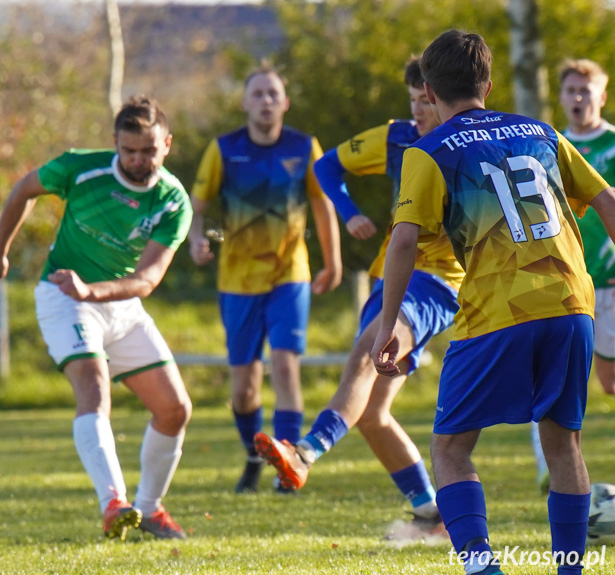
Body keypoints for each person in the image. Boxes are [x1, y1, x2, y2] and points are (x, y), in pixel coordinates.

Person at [372, 29, 615, 575]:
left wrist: (389, 325)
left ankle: (483, 568)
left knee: (451, 449)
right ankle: (569, 570)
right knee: (562, 442)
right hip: (574, 302)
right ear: (489, 82)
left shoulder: (427, 150)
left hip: (499, 310)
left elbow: (405, 241)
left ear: (428, 92)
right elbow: (607, 200)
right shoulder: (542, 131)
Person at [254, 58, 463, 538]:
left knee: (369, 354)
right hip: (391, 273)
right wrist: (347, 212)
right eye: (411, 99)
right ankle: (432, 512)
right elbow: (326, 166)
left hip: (438, 282)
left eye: (425, 100)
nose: (418, 109)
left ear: (442, 97)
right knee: (372, 414)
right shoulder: (398, 137)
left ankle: (304, 453)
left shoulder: (466, 144)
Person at [0, 96, 193, 541]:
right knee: (94, 389)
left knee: (175, 410)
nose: (137, 160)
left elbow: (147, 279)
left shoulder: (173, 201)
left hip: (117, 303)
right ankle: (114, 503)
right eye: (128, 150)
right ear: (114, 142)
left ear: (166, 145)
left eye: (148, 151)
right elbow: (24, 189)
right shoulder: (81, 168)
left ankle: (149, 510)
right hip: (63, 296)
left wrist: (94, 290)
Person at [187, 64, 343, 494]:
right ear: (245, 102)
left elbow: (322, 205)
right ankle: (254, 457)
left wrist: (333, 262)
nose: (266, 101)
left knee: (286, 367)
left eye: (273, 93)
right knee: (244, 389)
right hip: (236, 280)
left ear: (285, 102)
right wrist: (196, 241)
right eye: (257, 94)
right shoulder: (223, 149)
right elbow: (195, 208)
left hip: (289, 274)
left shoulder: (304, 146)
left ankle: (290, 467)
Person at [531, 58, 615, 495]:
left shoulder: (613, 147)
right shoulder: (546, 147)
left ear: (602, 96)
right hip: (563, 283)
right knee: (553, 380)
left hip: (610, 282)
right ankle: (553, 470)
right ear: (560, 97)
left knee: (609, 383)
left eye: (587, 91)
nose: (578, 98)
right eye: (571, 91)